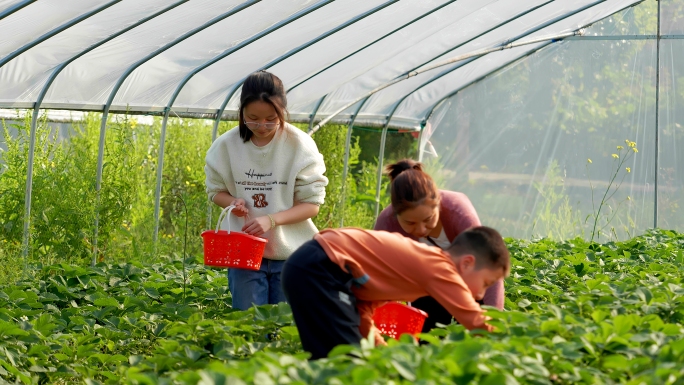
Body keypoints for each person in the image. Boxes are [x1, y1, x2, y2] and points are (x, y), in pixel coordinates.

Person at [282, 226, 510, 360]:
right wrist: (521, 342)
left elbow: (362, 312)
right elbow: (474, 320)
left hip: (310, 266)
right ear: (467, 263)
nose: (481, 295)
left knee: (334, 358)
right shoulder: (439, 266)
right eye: (486, 282)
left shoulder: (411, 273)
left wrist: (382, 351)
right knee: (345, 362)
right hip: (322, 269)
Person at [205, 70, 328, 311]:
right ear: (241, 112)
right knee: (248, 322)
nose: (262, 126)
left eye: (271, 118)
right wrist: (233, 201)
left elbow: (311, 205)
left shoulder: (300, 146)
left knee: (283, 328)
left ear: (283, 111)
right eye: (253, 118)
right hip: (243, 252)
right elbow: (215, 191)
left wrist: (270, 220)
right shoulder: (225, 146)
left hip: (291, 254)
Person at [374, 159, 504, 332]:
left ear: (438, 205)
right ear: (396, 214)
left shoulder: (458, 211)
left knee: (474, 330)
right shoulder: (387, 224)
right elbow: (378, 276)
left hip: (467, 278)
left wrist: (493, 320)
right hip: (426, 284)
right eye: (410, 223)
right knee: (428, 336)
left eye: (428, 220)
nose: (420, 229)